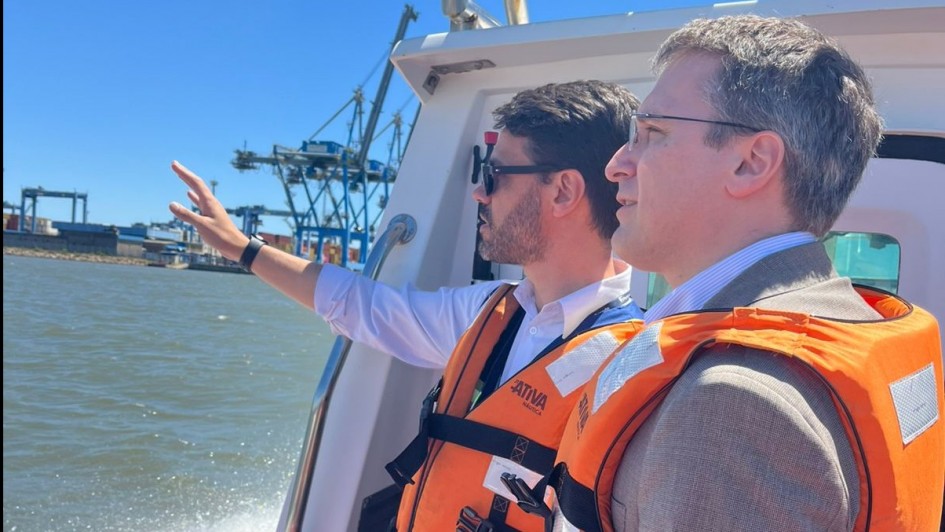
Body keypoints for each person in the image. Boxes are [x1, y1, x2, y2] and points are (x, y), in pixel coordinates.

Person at [169, 80, 643, 531]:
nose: (478, 192)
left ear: (562, 191)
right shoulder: (487, 315)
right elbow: (358, 304)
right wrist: (241, 248)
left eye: (493, 175)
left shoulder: (628, 368)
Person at [536, 15, 944, 532]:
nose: (617, 165)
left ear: (752, 163)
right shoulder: (847, 319)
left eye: (651, 133)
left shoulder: (727, 406)